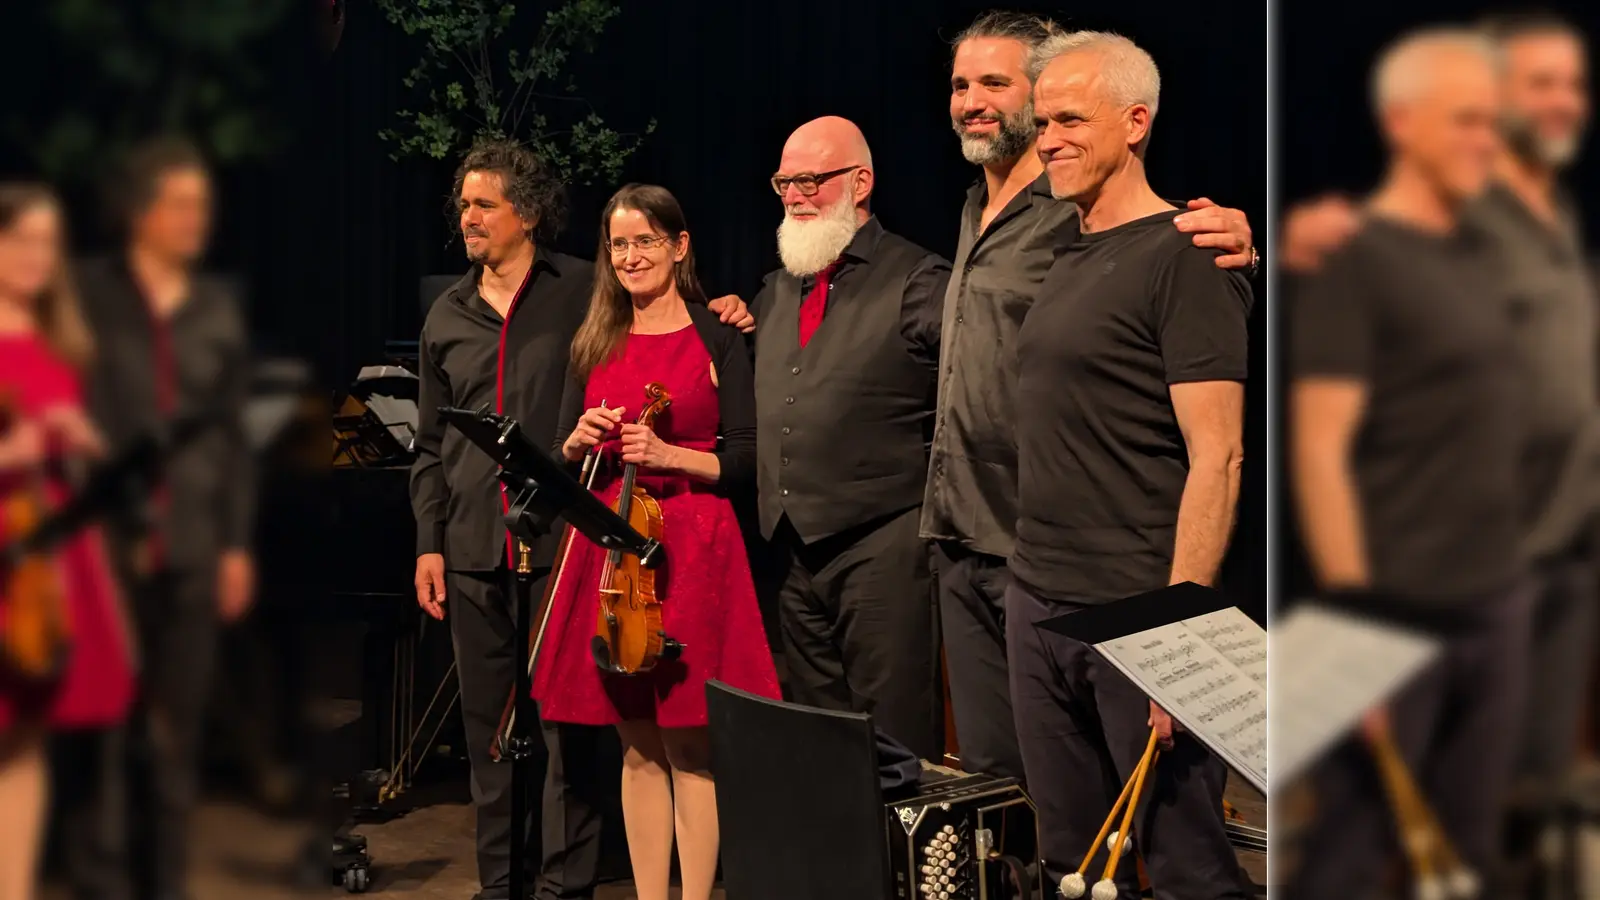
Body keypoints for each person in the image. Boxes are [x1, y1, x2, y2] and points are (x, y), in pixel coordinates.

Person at [1282, 13, 1597, 856]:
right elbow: (1319, 446)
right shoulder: (1374, 249)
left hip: (1515, 582)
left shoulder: (1513, 233)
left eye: (1492, 120)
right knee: (1357, 839)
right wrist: (1356, 634)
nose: (1487, 137)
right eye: (1469, 117)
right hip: (1407, 597)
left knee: (1479, 842)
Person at [410, 139, 754, 900]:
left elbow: (729, 420)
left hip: (611, 541)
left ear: (526, 214)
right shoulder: (461, 316)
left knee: (598, 733)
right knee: (502, 734)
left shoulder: (588, 298)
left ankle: (576, 886)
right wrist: (427, 543)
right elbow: (435, 445)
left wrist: (727, 308)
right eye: (461, 205)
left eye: (481, 204)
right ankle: (503, 886)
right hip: (500, 542)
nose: (465, 217)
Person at [927, 10, 1257, 784]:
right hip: (984, 548)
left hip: (1096, 562)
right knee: (1015, 797)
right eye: (960, 84)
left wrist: (1243, 247)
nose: (975, 100)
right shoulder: (983, 211)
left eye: (997, 84)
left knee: (1158, 829)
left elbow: (1172, 273)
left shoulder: (1085, 204)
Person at [1006, 32, 1252, 899]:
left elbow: (1219, 456)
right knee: (1072, 863)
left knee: (1185, 865)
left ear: (1136, 121)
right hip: (1038, 599)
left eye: (1072, 117)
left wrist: (1178, 645)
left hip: (1139, 611)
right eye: (1042, 122)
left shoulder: (1187, 253)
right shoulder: (1066, 249)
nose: (1049, 138)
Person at [534, 183, 779, 900]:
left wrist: (673, 457)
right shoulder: (593, 340)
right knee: (637, 742)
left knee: (689, 742)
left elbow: (746, 460)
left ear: (679, 245)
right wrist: (574, 443)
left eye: (645, 241)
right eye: (618, 244)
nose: (631, 256)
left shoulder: (719, 335)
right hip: (612, 549)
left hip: (694, 545)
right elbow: (558, 461)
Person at [64, 136, 255, 900]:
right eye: (180, 204)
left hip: (195, 547)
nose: (195, 219)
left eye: (202, 206)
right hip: (106, 545)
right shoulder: (88, 297)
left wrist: (237, 546)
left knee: (176, 736)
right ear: (141, 213)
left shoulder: (215, 307)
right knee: (101, 735)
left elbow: (234, 438)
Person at [750, 116, 947, 760]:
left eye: (811, 179)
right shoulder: (777, 290)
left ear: (860, 182)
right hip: (794, 552)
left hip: (883, 548)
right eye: (786, 181)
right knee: (818, 738)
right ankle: (838, 864)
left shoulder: (920, 279)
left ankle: (902, 863)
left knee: (893, 740)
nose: (796, 194)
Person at [0, 182, 135, 900]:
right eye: (21, 240)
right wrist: (16, 451)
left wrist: (84, 446)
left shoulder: (59, 342)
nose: (36, 258)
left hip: (48, 563)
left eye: (48, 244)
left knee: (26, 749)